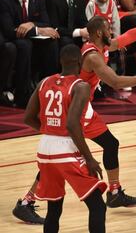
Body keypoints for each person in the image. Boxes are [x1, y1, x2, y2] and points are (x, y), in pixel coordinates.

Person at [13, 7, 136, 224]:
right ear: (99, 33)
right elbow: (116, 82)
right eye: (109, 28)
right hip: (74, 107)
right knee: (59, 159)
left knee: (110, 144)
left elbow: (128, 37)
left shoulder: (104, 45)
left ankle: (115, 192)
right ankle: (27, 201)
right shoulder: (92, 56)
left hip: (84, 107)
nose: (112, 31)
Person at [23, 44, 107, 232]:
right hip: (65, 149)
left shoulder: (44, 82)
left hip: (44, 148)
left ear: (60, 61)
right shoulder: (81, 86)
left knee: (54, 208)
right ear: (80, 62)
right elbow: (71, 125)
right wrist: (89, 158)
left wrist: (49, 129)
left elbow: (28, 117)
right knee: (98, 206)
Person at [0, 0, 59, 108]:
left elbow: (46, 22)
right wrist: (38, 29)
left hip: (29, 37)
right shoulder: (4, 0)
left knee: (52, 42)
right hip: (10, 39)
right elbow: (9, 30)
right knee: (24, 45)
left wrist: (32, 24)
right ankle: (23, 94)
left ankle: (51, 88)